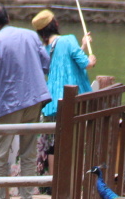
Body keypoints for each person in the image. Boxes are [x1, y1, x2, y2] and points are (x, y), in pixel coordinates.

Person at [0, 5, 51, 199]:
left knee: (1, 152)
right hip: (34, 98)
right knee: (29, 152)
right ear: (8, 18)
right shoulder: (30, 35)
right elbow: (46, 64)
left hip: (10, 102)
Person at [31, 9, 96, 184]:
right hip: (72, 99)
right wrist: (90, 57)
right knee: (72, 141)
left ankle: (54, 182)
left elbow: (62, 61)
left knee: (55, 143)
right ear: (55, 24)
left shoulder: (44, 48)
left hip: (52, 102)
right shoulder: (68, 40)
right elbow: (86, 64)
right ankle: (71, 181)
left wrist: (81, 46)